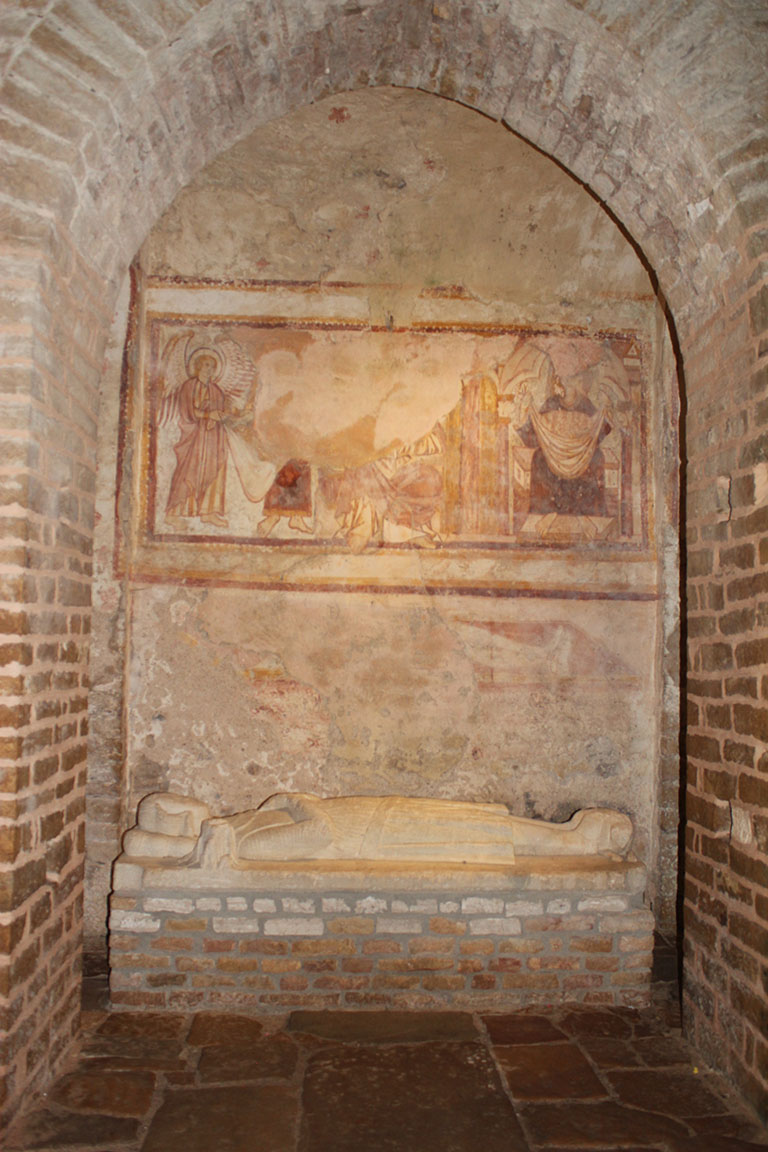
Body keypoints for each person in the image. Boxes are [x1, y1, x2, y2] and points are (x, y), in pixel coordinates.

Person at [122, 790, 633, 867]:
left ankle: (571, 835)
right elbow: (318, 835)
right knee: (479, 835)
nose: (193, 804)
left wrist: (290, 801)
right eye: (184, 810)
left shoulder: (239, 825)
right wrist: (297, 800)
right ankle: (574, 843)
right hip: (382, 835)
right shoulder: (241, 842)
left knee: (480, 820)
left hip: (378, 815)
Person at [164, 352, 230, 528]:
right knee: (188, 470)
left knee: (215, 470)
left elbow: (219, 411)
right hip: (193, 435)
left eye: (213, 366)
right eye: (207, 365)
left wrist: (218, 417)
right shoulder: (189, 386)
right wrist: (208, 415)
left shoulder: (216, 391)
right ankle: (174, 513)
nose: (210, 369)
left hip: (213, 437)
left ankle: (208, 512)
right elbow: (187, 410)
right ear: (198, 366)